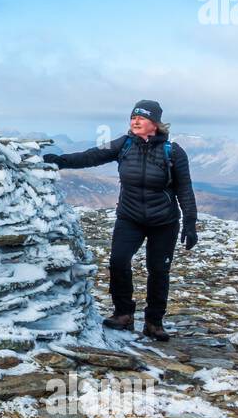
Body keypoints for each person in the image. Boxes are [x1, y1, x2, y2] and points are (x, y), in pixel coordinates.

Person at [42, 100, 198, 341]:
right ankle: (123, 314)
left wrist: (190, 223)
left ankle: (154, 322)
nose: (135, 121)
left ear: (155, 124)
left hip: (164, 222)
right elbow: (92, 156)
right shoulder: (124, 145)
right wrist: (61, 161)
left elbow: (185, 189)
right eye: (133, 117)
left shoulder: (173, 152)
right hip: (130, 217)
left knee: (158, 270)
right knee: (118, 261)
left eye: (142, 118)